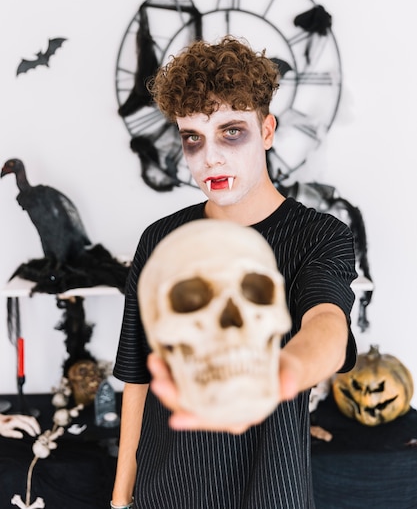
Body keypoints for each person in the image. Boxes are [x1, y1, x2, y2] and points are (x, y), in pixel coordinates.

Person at [112, 36, 357, 509]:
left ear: (267, 130)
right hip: (166, 493)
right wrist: (122, 497)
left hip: (272, 492)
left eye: (231, 131)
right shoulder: (161, 240)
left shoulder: (319, 236)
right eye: (193, 138)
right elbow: (137, 377)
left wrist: (285, 372)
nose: (210, 159)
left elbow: (327, 322)